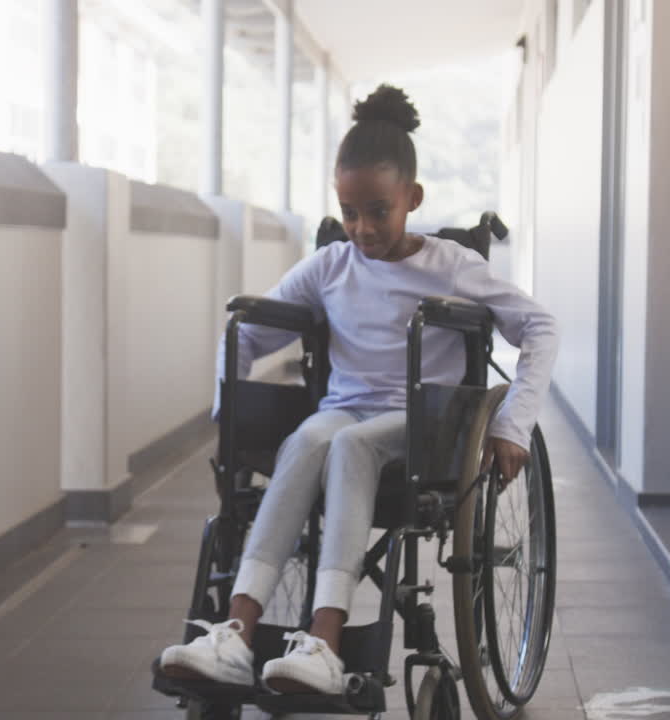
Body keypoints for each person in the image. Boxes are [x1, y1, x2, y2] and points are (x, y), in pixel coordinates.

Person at [158, 84, 559, 695]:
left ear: (412, 198)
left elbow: (540, 325)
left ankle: (325, 640)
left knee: (350, 447)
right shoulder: (331, 266)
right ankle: (236, 634)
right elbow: (249, 334)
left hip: (423, 425)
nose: (361, 228)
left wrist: (512, 424)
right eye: (348, 212)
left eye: (377, 210)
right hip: (343, 412)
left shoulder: (450, 265)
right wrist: (227, 410)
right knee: (310, 438)